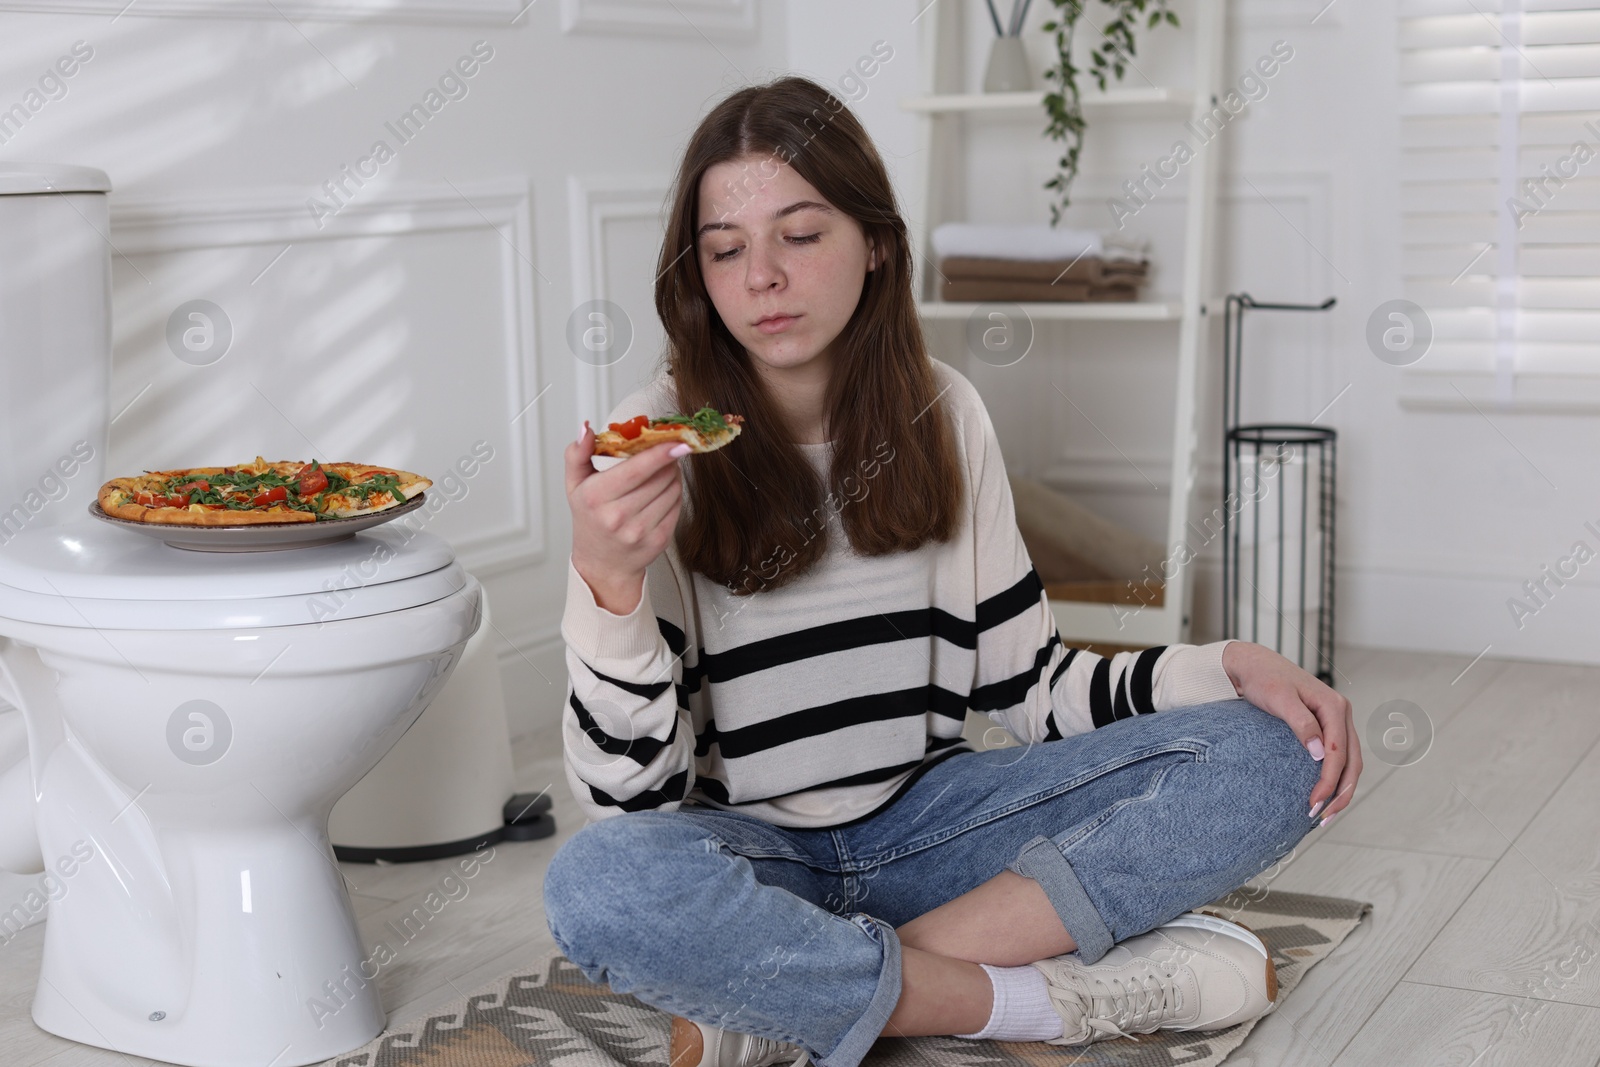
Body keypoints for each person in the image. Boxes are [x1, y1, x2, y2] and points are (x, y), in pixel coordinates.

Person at [543, 75, 1361, 1067]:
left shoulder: (944, 411)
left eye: (799, 234)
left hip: (937, 834)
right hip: (755, 858)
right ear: (700, 273)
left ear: (875, 241)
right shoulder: (658, 445)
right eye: (726, 249)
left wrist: (1226, 665)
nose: (761, 275)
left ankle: (799, 994)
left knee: (1276, 752)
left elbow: (1032, 689)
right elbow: (636, 805)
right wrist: (608, 586)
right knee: (599, 883)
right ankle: (1026, 999)